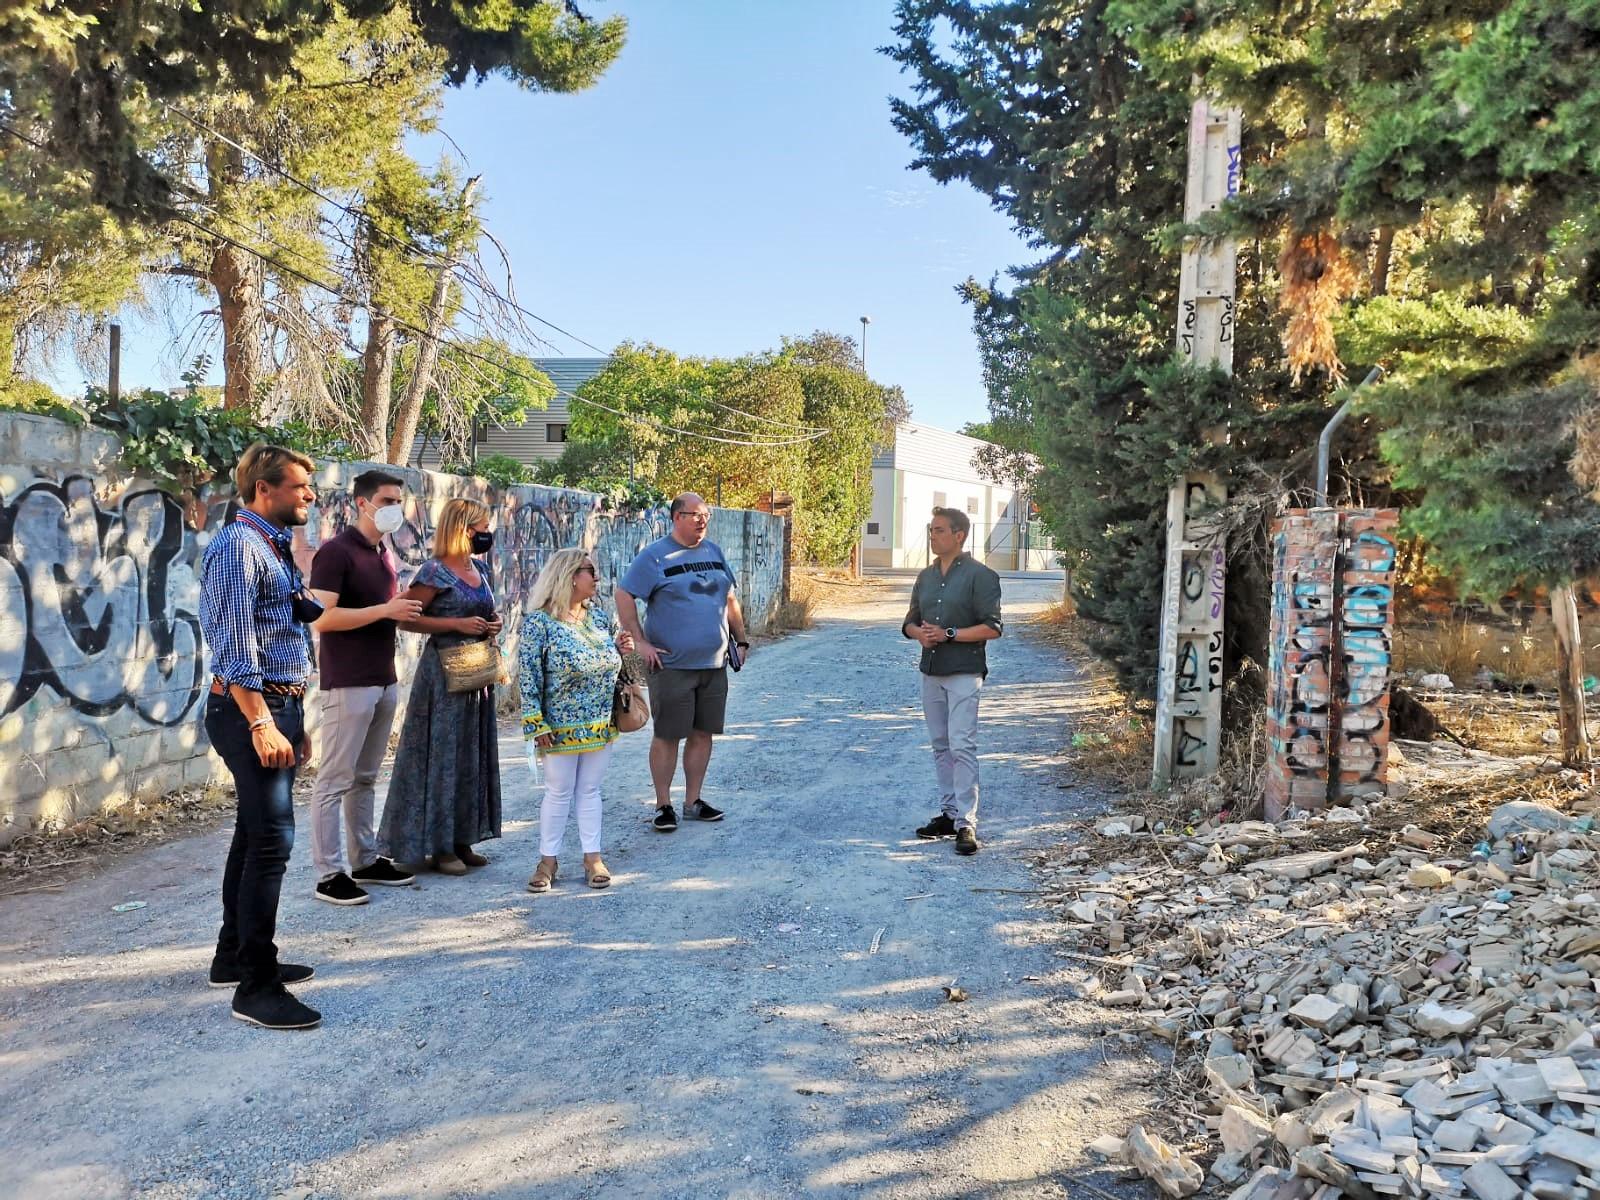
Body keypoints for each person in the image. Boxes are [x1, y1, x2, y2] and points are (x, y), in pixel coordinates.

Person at [199, 442, 322, 1030]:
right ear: (263, 489)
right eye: (300, 486)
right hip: (252, 708)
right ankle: (256, 985)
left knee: (254, 835)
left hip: (279, 706)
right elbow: (231, 646)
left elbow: (289, 621)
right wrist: (262, 722)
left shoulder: (272, 545)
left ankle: (233, 956)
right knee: (273, 840)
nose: (310, 495)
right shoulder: (236, 547)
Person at [305, 469, 425, 906]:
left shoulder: (383, 553)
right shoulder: (336, 553)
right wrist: (383, 610)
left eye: (400, 500)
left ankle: (365, 858)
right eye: (389, 499)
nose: (397, 507)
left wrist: (404, 609)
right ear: (363, 503)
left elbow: (382, 610)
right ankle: (328, 873)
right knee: (334, 779)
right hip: (348, 680)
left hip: (383, 676)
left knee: (366, 777)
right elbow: (321, 618)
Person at [378, 498, 503, 875]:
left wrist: (491, 623)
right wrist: (455, 626)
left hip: (477, 674)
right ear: (464, 529)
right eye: (481, 527)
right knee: (444, 757)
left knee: (470, 755)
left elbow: (483, 611)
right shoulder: (433, 572)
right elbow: (405, 619)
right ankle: (439, 846)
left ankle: (463, 839)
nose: (486, 534)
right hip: (444, 676)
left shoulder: (479, 568)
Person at [615, 492, 749, 832]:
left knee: (703, 733)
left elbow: (730, 598)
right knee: (668, 735)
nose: (702, 520)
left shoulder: (714, 551)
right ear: (677, 517)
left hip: (714, 665)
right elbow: (624, 594)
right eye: (694, 515)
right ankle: (663, 805)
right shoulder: (655, 556)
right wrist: (641, 642)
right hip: (671, 666)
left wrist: (741, 638)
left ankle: (693, 801)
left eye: (706, 515)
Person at [519, 548, 636, 892]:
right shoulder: (539, 622)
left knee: (590, 790)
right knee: (558, 792)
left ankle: (592, 858)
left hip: (600, 721)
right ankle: (547, 862)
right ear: (570, 575)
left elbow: (623, 671)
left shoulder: (600, 618)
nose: (596, 577)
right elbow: (528, 676)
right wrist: (534, 723)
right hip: (557, 727)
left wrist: (623, 650)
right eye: (589, 570)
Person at [902, 506, 1003, 856]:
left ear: (959, 535)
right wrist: (921, 635)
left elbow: (993, 627)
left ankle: (966, 823)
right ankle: (948, 814)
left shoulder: (982, 576)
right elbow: (909, 621)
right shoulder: (925, 577)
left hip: (964, 670)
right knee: (941, 745)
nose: (933, 536)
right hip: (931, 670)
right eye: (931, 530)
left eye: (940, 530)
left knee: (962, 746)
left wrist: (949, 634)